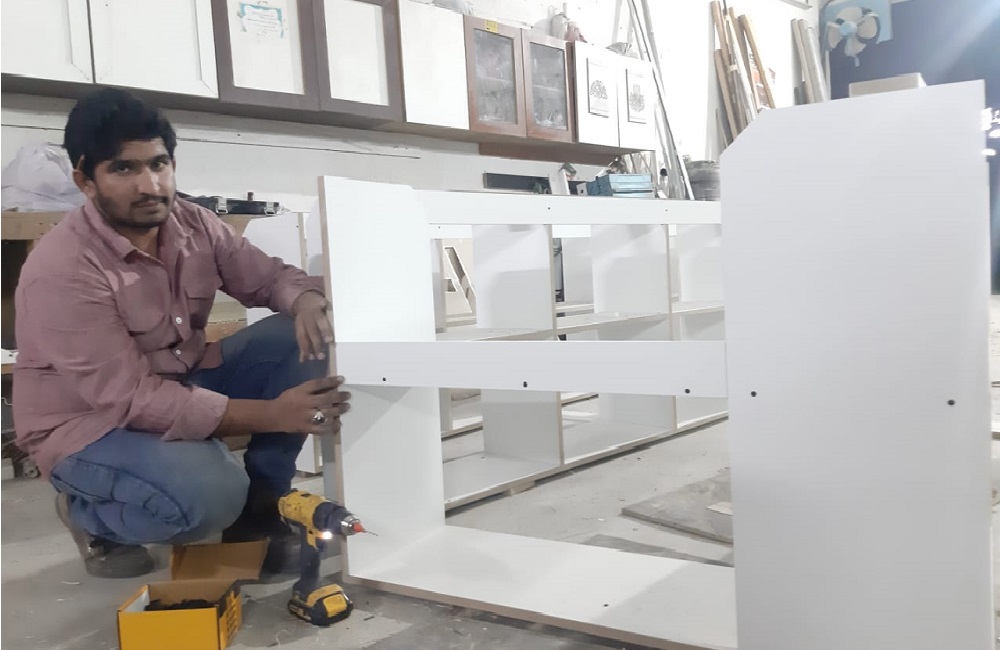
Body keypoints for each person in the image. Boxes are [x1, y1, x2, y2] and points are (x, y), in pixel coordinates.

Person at [12, 87, 351, 579]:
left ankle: (260, 512)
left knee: (298, 335)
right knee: (209, 494)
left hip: (179, 380)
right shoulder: (63, 268)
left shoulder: (194, 224)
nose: (150, 185)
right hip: (89, 424)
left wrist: (305, 300)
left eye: (159, 164)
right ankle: (91, 516)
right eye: (124, 169)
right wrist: (273, 414)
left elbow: (268, 278)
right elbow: (131, 400)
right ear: (85, 180)